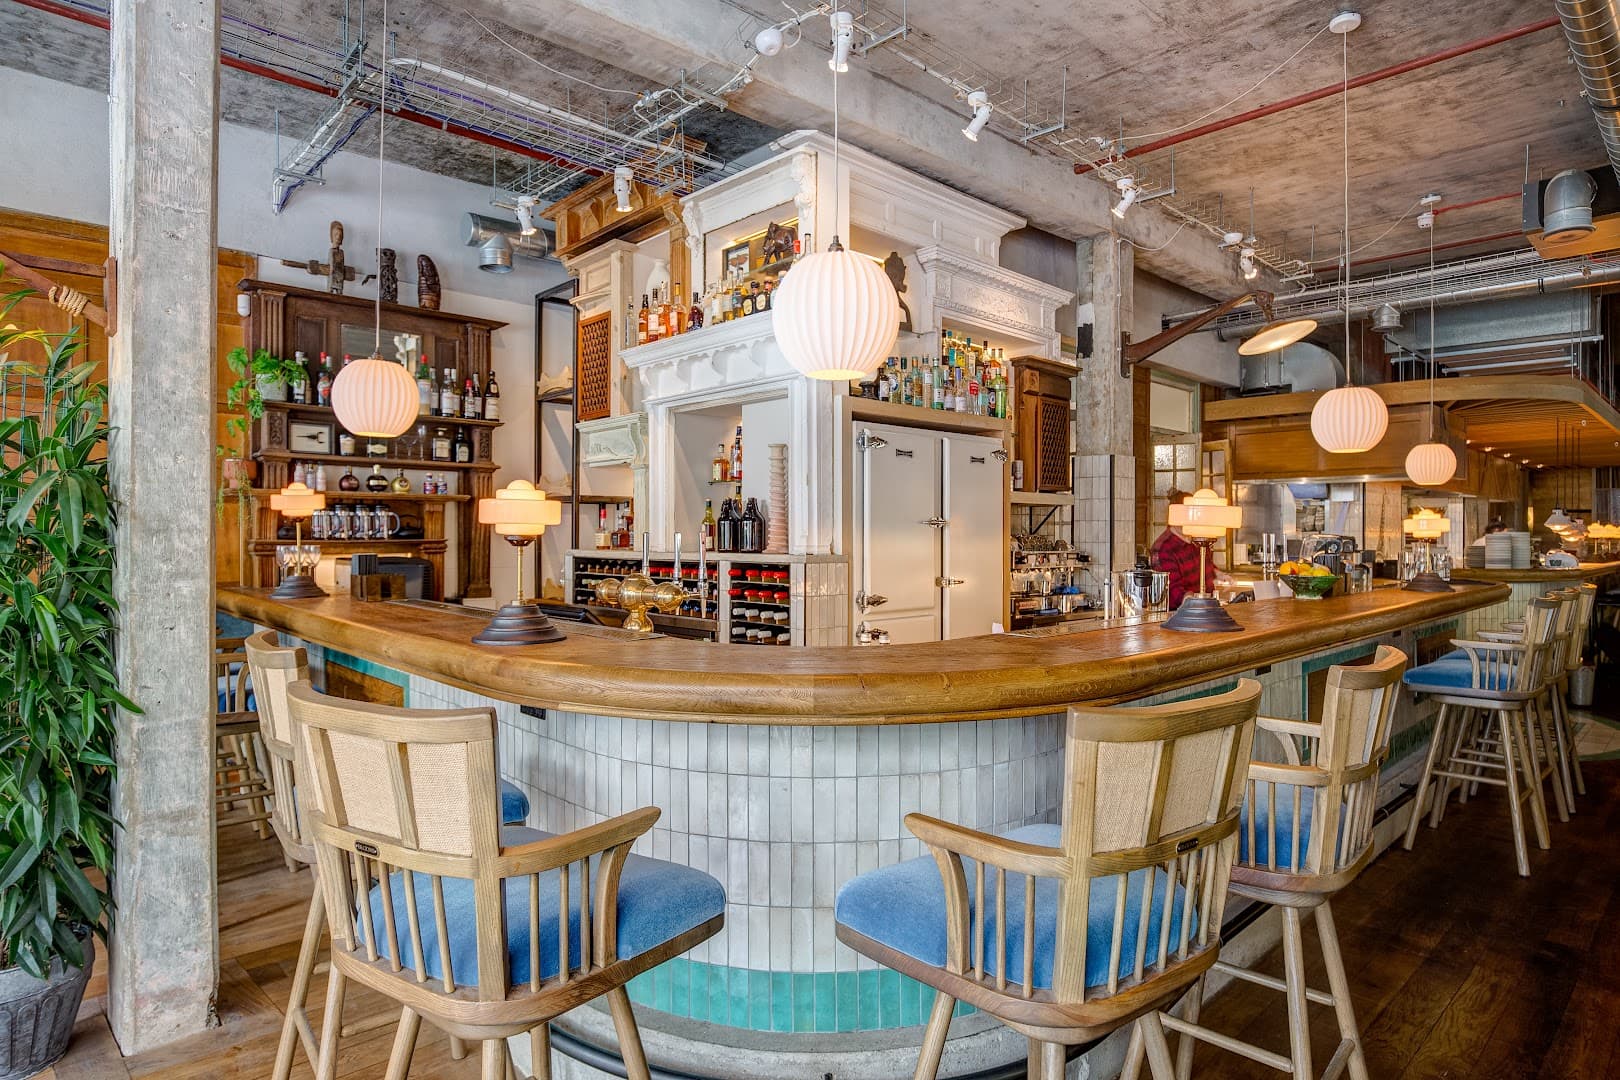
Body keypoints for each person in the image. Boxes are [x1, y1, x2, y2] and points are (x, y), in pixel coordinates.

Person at [1151, 489, 1205, 610]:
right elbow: (1173, 590)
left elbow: (1206, 571)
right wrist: (1187, 597)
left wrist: (1219, 575)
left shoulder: (1194, 543)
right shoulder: (1163, 548)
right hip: (1176, 616)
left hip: (1200, 610)